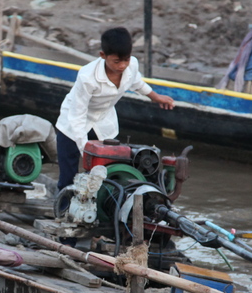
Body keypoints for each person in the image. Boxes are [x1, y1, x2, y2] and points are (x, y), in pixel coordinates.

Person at [55, 27, 175, 192]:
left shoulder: (131, 65)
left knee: (108, 173)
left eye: (126, 60)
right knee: (68, 177)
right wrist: (85, 150)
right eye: (117, 62)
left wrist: (155, 97)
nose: (122, 65)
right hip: (73, 123)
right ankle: (64, 211)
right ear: (103, 55)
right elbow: (77, 115)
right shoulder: (87, 77)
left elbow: (137, 82)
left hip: (104, 122)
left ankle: (102, 210)